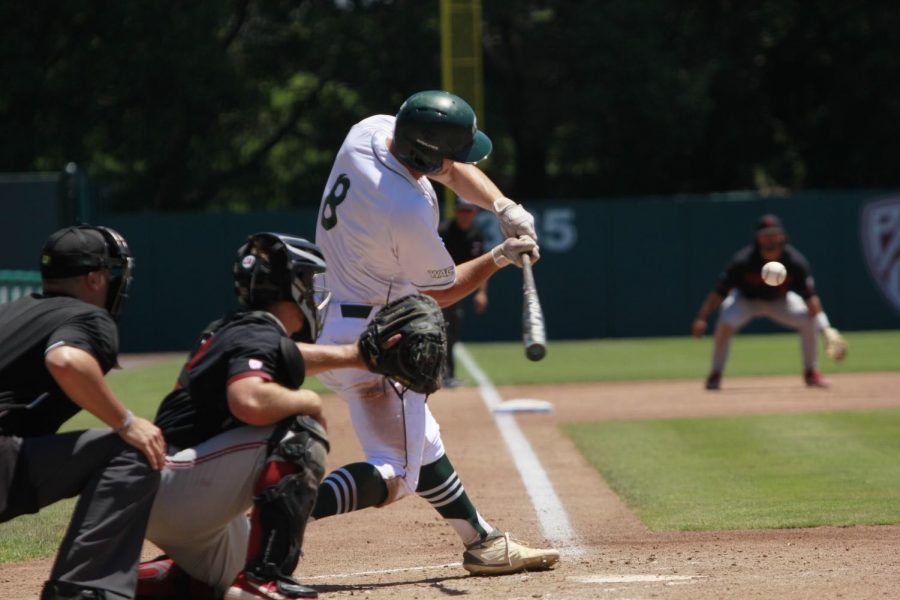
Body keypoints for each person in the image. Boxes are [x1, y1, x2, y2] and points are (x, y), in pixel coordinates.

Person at [312, 89, 559, 575]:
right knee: (398, 472)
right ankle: (272, 514)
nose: (456, 160)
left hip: (330, 314)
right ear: (423, 149)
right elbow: (439, 294)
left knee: (422, 443)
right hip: (379, 337)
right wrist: (500, 257)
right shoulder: (401, 207)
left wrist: (502, 206)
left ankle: (483, 541)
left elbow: (448, 169)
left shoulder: (371, 132)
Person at [137, 233, 378, 600]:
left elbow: (287, 355)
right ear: (291, 288)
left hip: (167, 490)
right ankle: (263, 579)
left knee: (220, 578)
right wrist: (309, 401)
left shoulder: (236, 328)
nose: (315, 293)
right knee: (300, 428)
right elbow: (247, 398)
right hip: (181, 487)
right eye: (310, 283)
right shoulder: (258, 333)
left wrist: (355, 355)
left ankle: (114, 586)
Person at [0, 225, 166, 600]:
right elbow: (66, 360)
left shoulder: (12, 313)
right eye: (111, 274)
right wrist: (126, 422)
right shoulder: (90, 317)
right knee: (132, 452)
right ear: (93, 278)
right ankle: (80, 593)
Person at [692, 214, 848, 390]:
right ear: (757, 237)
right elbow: (719, 293)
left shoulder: (794, 261)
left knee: (808, 320)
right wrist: (702, 317)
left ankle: (811, 372)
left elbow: (810, 297)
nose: (770, 238)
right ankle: (715, 374)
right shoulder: (743, 261)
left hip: (779, 301)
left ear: (782, 236)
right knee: (725, 323)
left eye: (774, 233)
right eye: (765, 234)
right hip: (746, 300)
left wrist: (825, 328)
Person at [438, 197, 488, 387]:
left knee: (452, 328)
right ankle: (443, 375)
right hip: (440, 285)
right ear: (456, 212)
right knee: (443, 328)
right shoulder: (444, 231)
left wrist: (481, 293)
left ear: (474, 213)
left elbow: (482, 267)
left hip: (461, 285)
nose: (464, 215)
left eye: (468, 211)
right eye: (461, 210)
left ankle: (448, 374)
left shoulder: (476, 235)